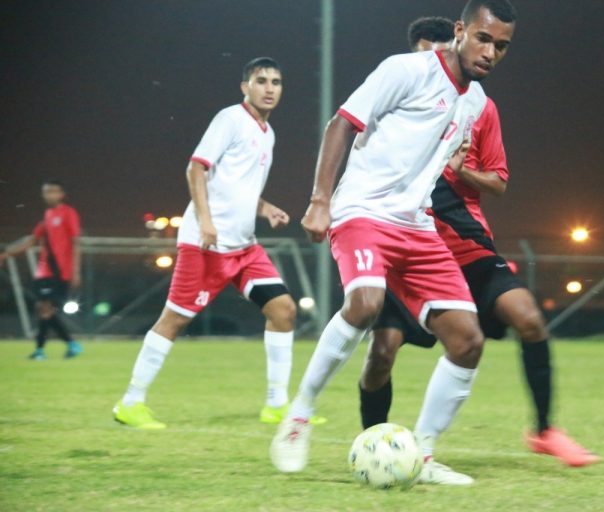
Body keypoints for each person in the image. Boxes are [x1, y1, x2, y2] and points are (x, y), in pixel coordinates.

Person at [271, 0, 516, 485]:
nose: (490, 52)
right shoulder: (406, 70)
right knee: (365, 303)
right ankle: (299, 416)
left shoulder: (476, 102)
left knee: (467, 341)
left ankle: (422, 457)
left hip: (417, 226)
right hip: (362, 210)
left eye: (502, 46)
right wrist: (320, 200)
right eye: (483, 39)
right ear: (461, 30)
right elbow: (341, 123)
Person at [359, 16, 599, 468]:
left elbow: (499, 182)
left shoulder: (479, 107)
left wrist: (461, 168)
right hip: (404, 246)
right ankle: (374, 449)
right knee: (382, 352)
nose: (433, 64)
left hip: (466, 245)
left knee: (529, 318)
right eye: (424, 55)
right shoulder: (397, 103)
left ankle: (544, 431)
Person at [112, 57, 303, 430]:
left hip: (244, 248)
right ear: (245, 87)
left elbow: (237, 186)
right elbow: (196, 168)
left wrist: (265, 208)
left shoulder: (268, 133)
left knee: (283, 311)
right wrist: (205, 221)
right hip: (207, 246)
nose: (269, 88)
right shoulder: (230, 119)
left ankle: (277, 405)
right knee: (174, 320)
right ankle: (130, 402)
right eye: (261, 81)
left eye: (276, 82)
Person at [0, 180, 83, 360]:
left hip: (60, 271)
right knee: (44, 309)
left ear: (61, 194)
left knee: (45, 309)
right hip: (44, 271)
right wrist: (5, 255)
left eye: (53, 191)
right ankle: (70, 344)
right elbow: (32, 240)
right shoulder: (47, 216)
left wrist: (76, 271)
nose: (49, 195)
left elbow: (76, 241)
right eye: (46, 192)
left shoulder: (68, 213)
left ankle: (41, 350)